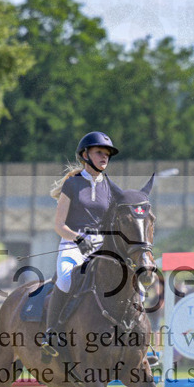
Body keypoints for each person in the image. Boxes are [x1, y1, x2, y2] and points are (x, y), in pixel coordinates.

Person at [41, 131, 119, 357]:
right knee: (65, 279)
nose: (104, 157)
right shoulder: (72, 184)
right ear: (85, 155)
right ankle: (51, 332)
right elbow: (59, 225)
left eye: (107, 154)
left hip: (102, 248)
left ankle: (136, 340)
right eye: (99, 153)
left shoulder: (111, 188)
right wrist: (78, 238)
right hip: (73, 246)